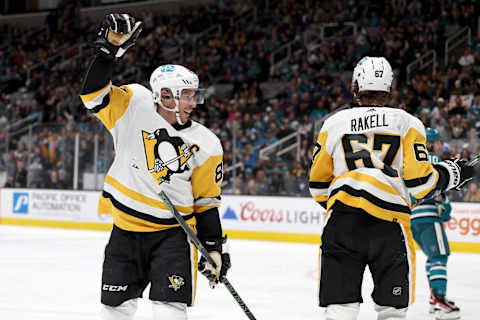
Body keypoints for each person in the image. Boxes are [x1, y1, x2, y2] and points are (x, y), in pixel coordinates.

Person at [79, 13, 230, 320]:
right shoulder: (134, 103)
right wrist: (107, 52)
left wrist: (213, 247)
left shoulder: (208, 142)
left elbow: (206, 201)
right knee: (114, 311)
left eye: (193, 95)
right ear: (164, 96)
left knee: (170, 312)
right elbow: (92, 95)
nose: (193, 102)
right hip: (125, 231)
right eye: (186, 95)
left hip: (172, 236)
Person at [309, 56, 474, 320]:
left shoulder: (333, 124)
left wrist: (346, 205)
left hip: (341, 224)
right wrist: (454, 172)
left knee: (340, 310)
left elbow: (317, 186)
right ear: (389, 88)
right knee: (392, 312)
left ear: (355, 86)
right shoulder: (407, 122)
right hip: (389, 225)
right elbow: (421, 183)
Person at [411, 128, 460, 320]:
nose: (441, 145)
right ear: (430, 144)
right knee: (439, 255)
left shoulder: (412, 160)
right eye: (438, 142)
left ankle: (434, 300)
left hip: (415, 221)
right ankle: (439, 300)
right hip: (429, 218)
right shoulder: (433, 159)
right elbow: (441, 197)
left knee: (432, 257)